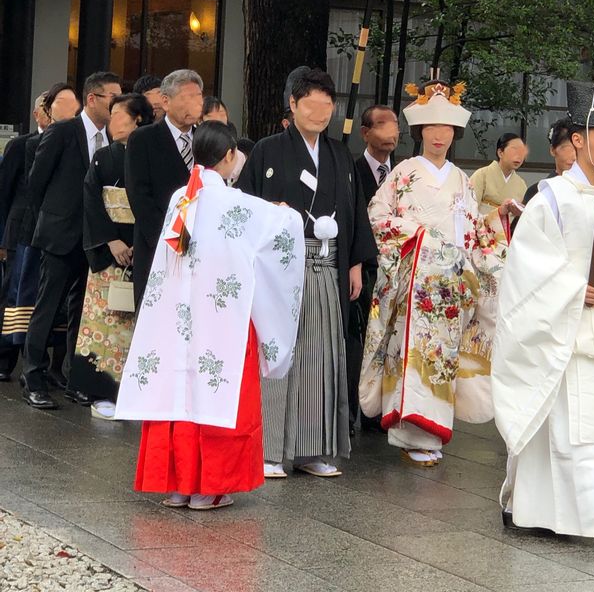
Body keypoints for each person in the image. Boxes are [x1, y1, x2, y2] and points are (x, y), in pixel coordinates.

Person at [493, 80, 594, 550]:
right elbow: (527, 263)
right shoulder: (551, 197)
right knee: (579, 432)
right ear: (579, 140)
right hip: (564, 328)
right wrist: (569, 291)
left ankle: (524, 503)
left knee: (584, 427)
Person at [115, 121, 305, 510]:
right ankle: (210, 487)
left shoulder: (179, 199)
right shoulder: (235, 203)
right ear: (230, 155)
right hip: (223, 322)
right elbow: (284, 226)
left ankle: (178, 485)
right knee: (218, 394)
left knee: (179, 395)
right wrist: (282, 211)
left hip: (179, 320)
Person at [359, 77, 511, 467]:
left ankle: (433, 430)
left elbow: (476, 230)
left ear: (454, 132)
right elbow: (378, 215)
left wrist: (498, 218)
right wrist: (422, 239)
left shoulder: (462, 180)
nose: (439, 135)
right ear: (421, 131)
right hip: (415, 281)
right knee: (411, 351)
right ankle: (407, 429)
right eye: (432, 127)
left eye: (446, 128)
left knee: (440, 358)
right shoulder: (404, 173)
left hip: (450, 289)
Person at [237, 68, 375, 479]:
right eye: (310, 105)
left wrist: (352, 262)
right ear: (292, 105)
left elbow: (353, 213)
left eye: (326, 106)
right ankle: (270, 450)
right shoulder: (266, 150)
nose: (319, 114)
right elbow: (247, 205)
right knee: (279, 354)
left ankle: (312, 449)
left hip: (326, 265)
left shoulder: (339, 156)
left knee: (321, 357)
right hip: (280, 270)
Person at [23, 72, 122, 410]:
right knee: (47, 308)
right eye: (112, 96)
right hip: (59, 235)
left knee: (82, 314)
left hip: (92, 241)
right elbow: (36, 184)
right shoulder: (63, 131)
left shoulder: (111, 139)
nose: (117, 103)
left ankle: (73, 379)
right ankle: (33, 377)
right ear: (92, 98)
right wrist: (50, 222)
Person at [70, 94, 155, 419]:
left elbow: (153, 203)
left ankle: (137, 394)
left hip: (143, 250)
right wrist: (110, 242)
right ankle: (102, 392)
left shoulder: (149, 155)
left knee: (139, 326)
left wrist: (139, 242)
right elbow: (92, 200)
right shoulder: (103, 157)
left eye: (119, 114)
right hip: (109, 254)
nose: (112, 119)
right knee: (103, 326)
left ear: (138, 119)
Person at [126, 69, 203, 305]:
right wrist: (170, 239)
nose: (195, 103)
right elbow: (139, 195)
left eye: (198, 96)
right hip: (157, 245)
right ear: (165, 101)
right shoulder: (143, 139)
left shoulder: (206, 138)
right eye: (186, 97)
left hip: (201, 245)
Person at [348, 105, 400, 433]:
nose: (391, 132)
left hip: (398, 271)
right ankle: (357, 409)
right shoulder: (351, 171)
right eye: (381, 125)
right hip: (367, 269)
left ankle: (387, 409)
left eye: (395, 125)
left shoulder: (406, 173)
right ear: (365, 133)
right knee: (362, 337)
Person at [0, 93, 49, 380]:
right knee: (12, 294)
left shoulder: (65, 140)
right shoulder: (20, 145)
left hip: (47, 233)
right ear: (36, 113)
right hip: (18, 231)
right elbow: (4, 191)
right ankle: (5, 359)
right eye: (45, 107)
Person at [470, 133, 528, 216]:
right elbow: (469, 209)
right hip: (482, 226)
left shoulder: (521, 184)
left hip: (509, 228)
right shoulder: (482, 175)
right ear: (500, 153)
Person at [523, 117, 576, 206]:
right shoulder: (537, 191)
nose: (574, 156)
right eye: (568, 148)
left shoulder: (590, 189)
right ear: (552, 150)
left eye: (579, 150)